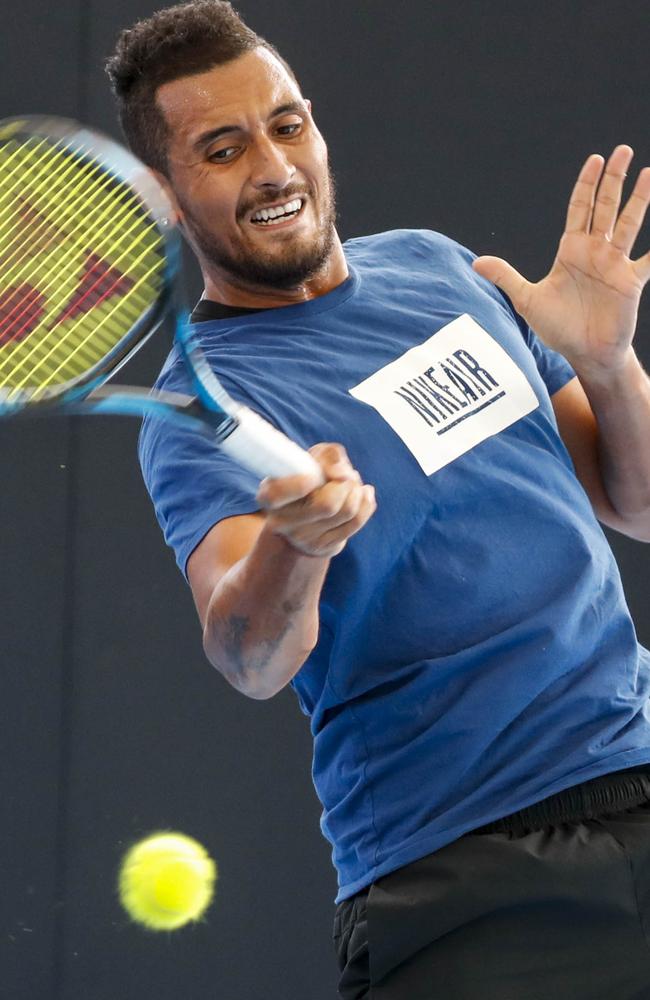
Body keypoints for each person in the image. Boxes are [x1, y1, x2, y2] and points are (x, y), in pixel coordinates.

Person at [106, 3, 650, 997]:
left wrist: (607, 364)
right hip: (460, 872)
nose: (271, 167)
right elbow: (248, 655)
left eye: (285, 124)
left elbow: (637, 503)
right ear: (165, 195)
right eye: (221, 149)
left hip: (634, 762)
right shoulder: (199, 415)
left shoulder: (440, 268)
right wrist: (297, 544)